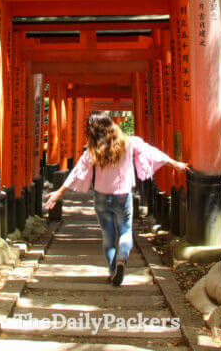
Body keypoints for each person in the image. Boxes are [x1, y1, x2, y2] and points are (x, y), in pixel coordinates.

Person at [44, 112, 187, 286]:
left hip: (101, 195)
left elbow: (77, 171)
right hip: (123, 194)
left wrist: (59, 192)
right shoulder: (129, 142)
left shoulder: (93, 149)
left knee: (108, 235)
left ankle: (112, 271)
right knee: (125, 231)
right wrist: (174, 163)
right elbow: (152, 152)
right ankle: (122, 260)